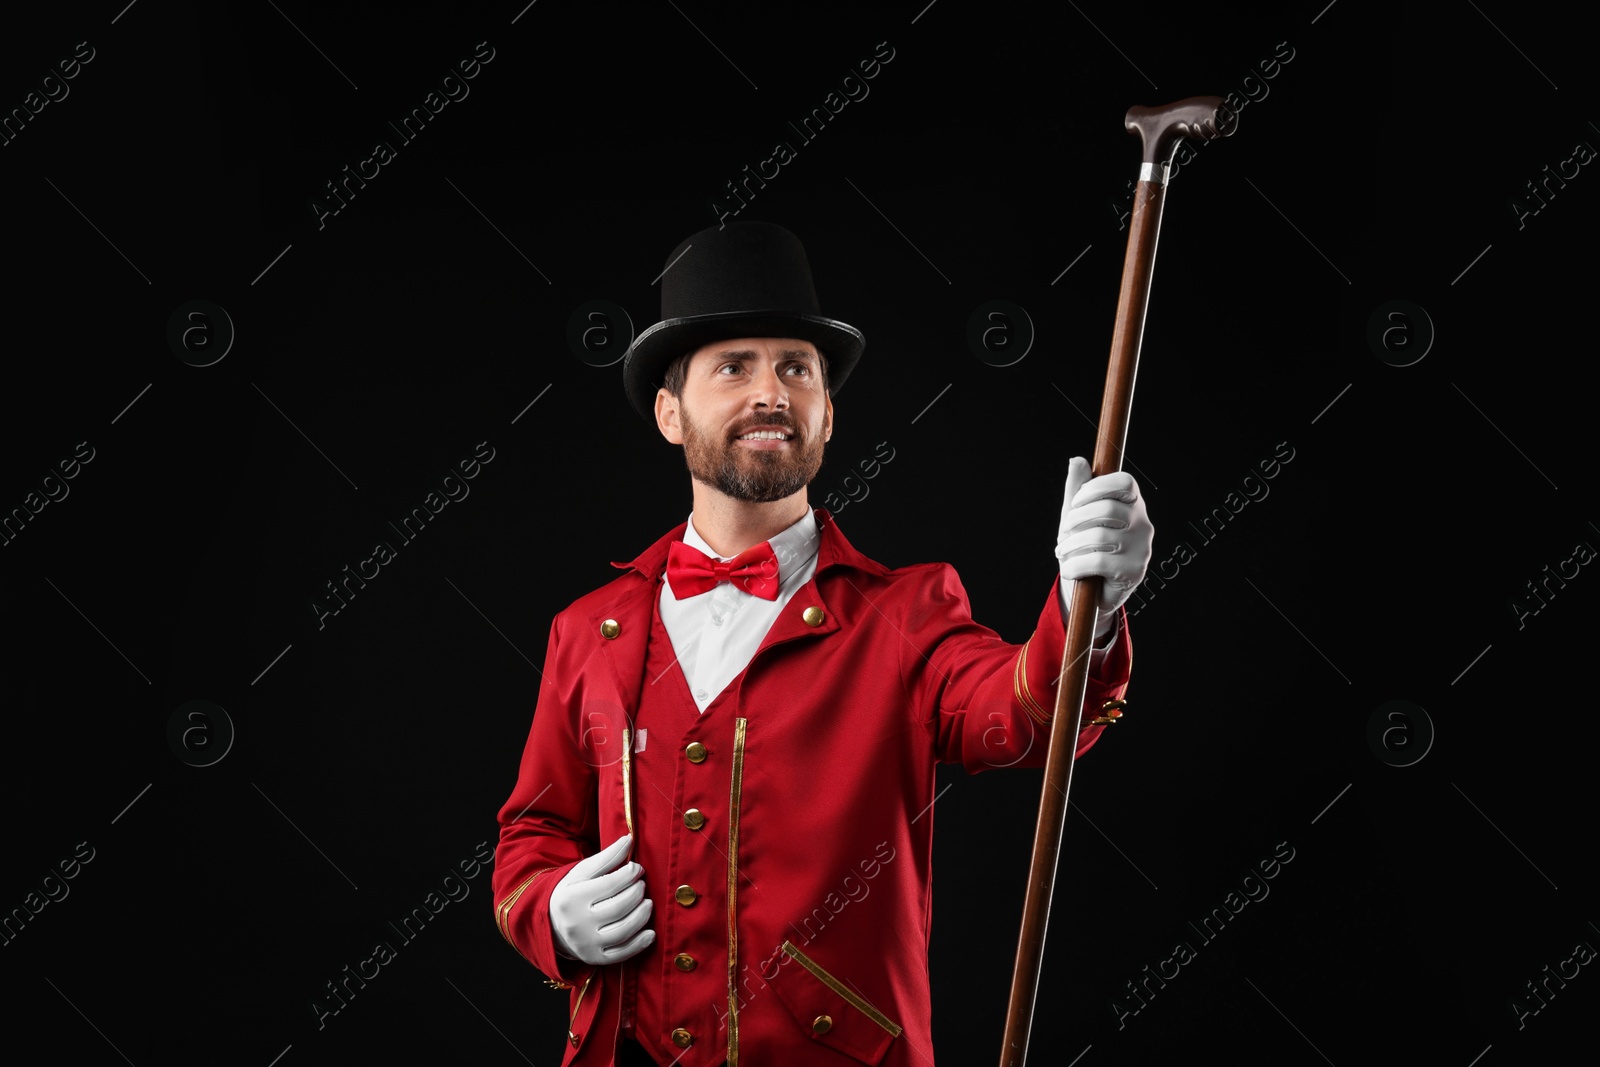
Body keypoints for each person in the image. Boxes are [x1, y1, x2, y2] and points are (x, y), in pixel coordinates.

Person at [493, 221, 1154, 1066]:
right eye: (734, 366)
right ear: (670, 411)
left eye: (796, 369)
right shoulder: (587, 631)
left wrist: (1085, 607)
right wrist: (549, 909)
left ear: (827, 413)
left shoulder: (908, 614)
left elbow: (1022, 715)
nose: (771, 392)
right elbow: (533, 828)